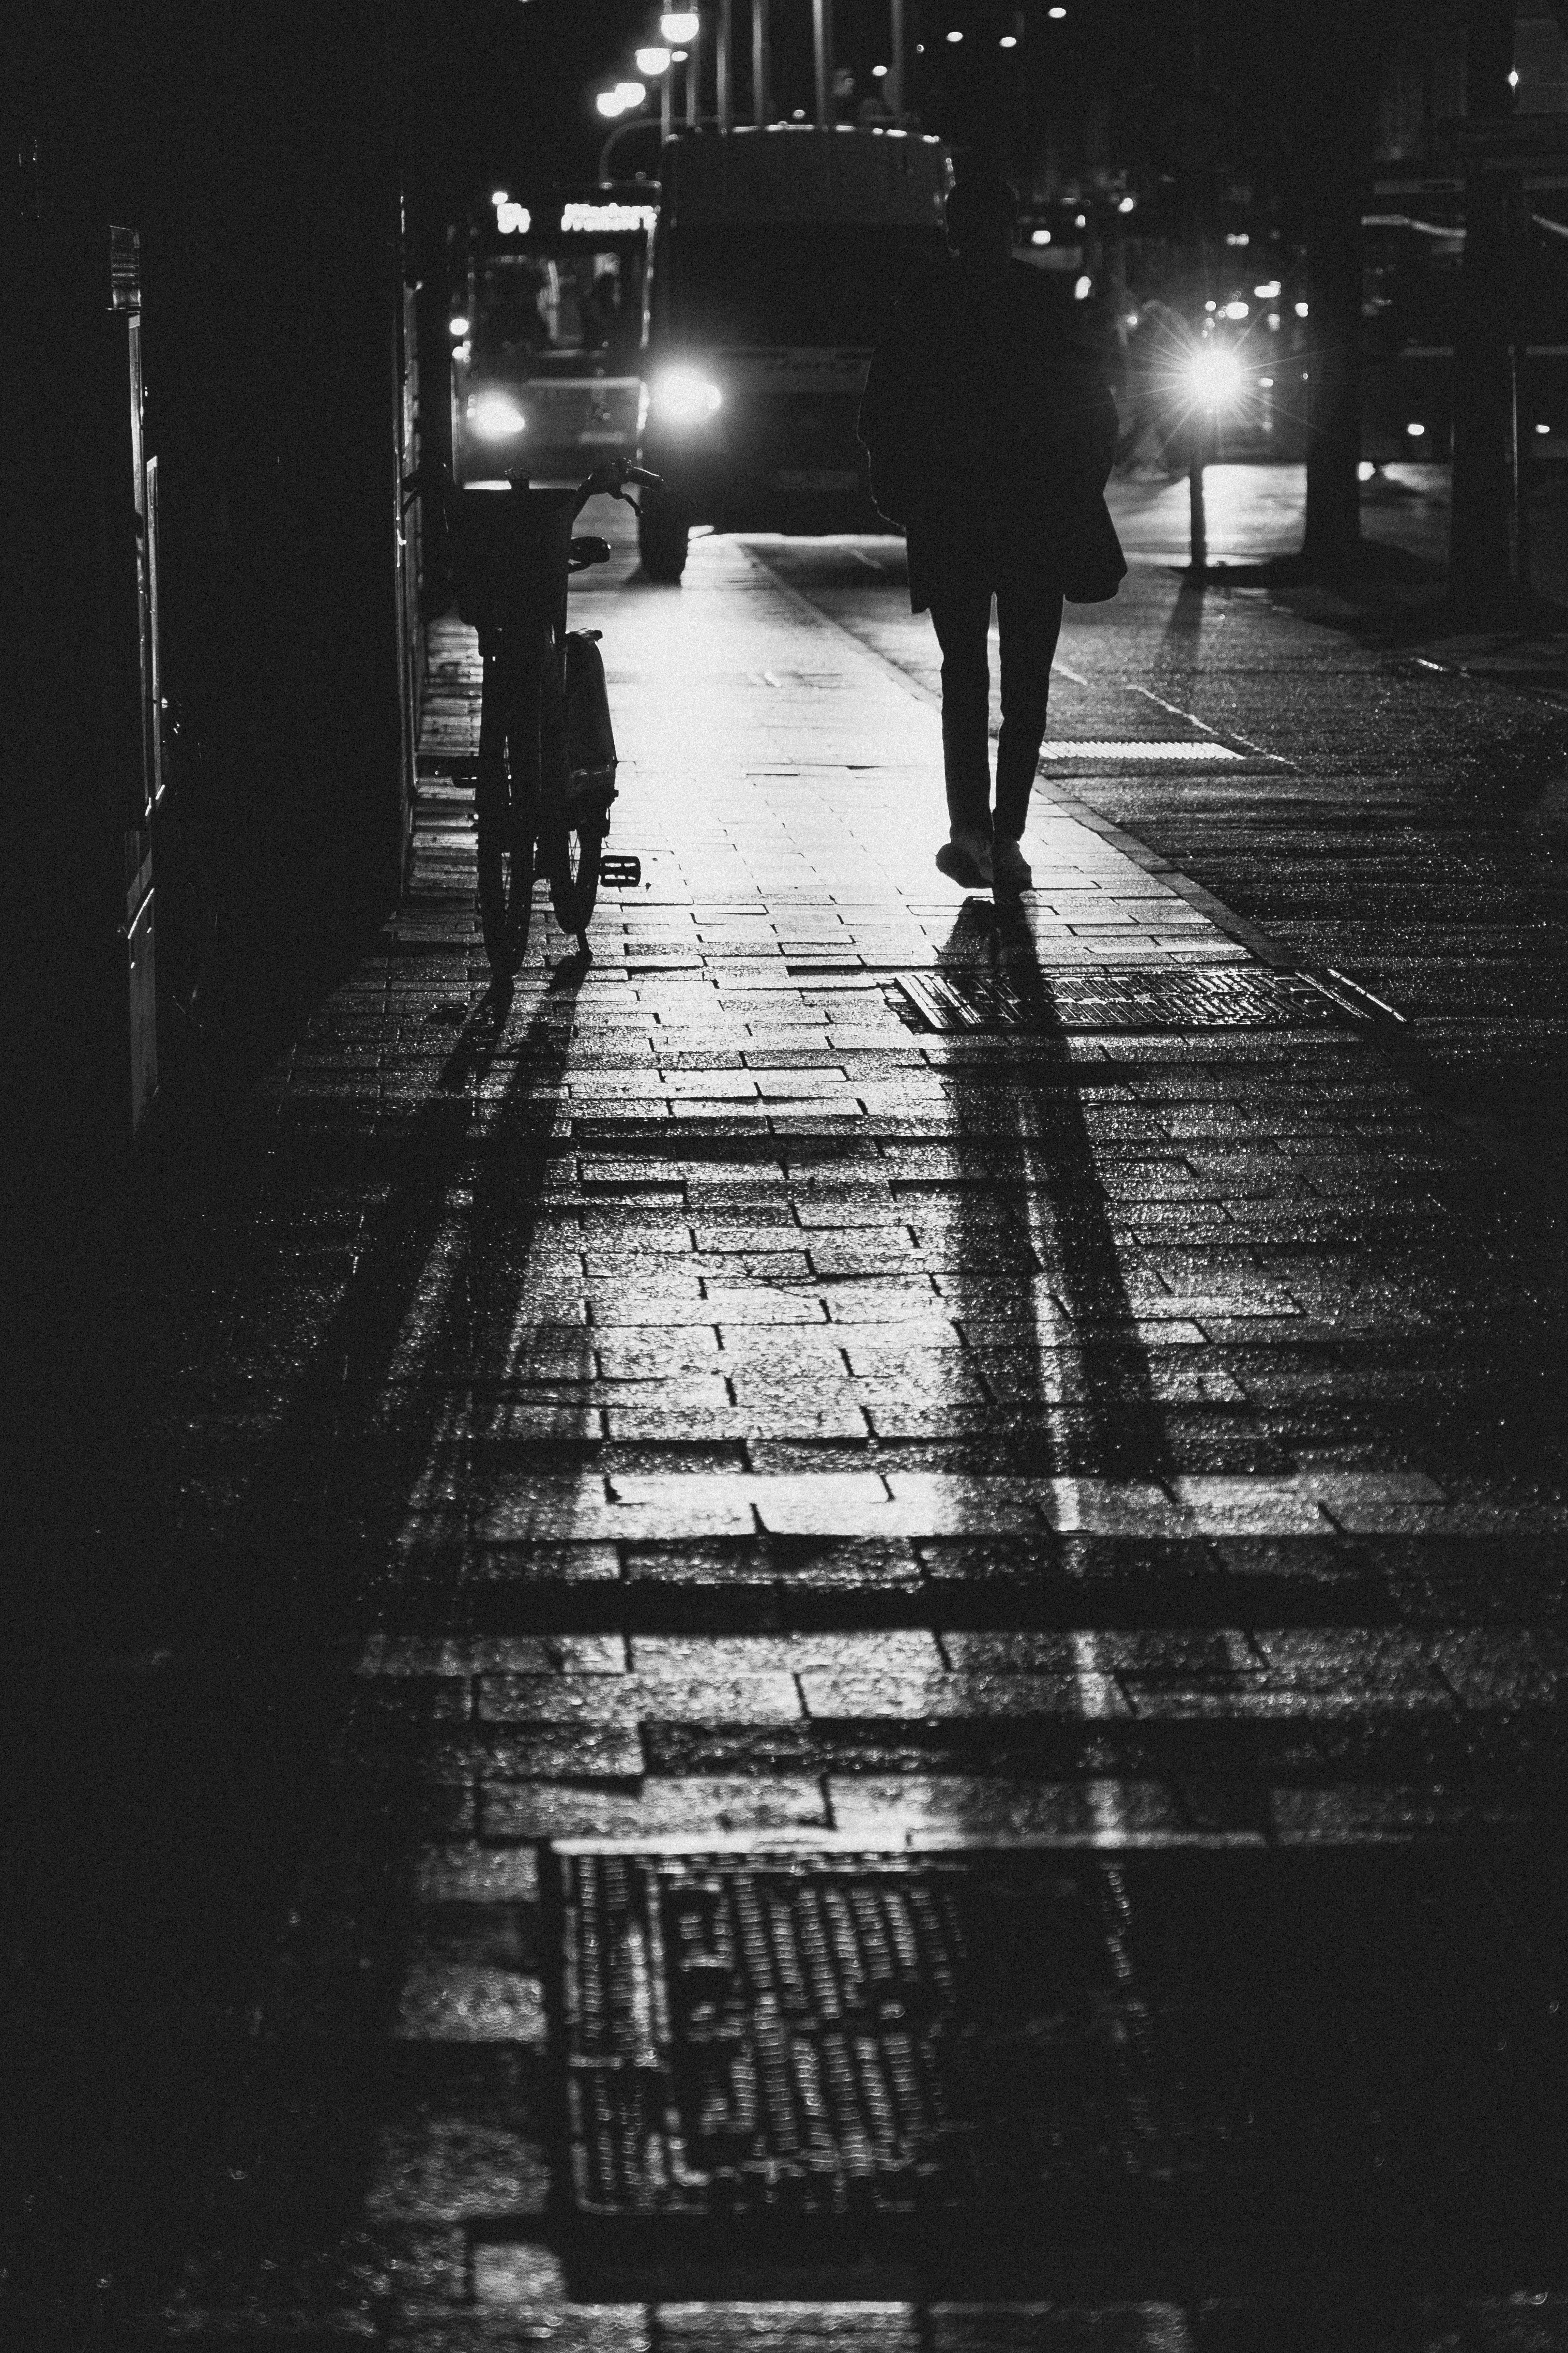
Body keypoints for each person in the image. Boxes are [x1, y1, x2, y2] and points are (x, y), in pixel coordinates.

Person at [858, 174, 1118, 895]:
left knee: (962, 676)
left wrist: (904, 491)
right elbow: (1092, 406)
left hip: (952, 511)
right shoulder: (1042, 301)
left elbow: (884, 408)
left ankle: (967, 829)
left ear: (951, 227)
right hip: (1035, 510)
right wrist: (1077, 487)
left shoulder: (926, 300)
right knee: (1026, 684)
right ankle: (1007, 835)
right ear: (1008, 228)